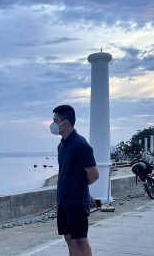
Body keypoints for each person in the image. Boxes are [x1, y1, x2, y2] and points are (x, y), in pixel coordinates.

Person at [50, 105, 100, 256]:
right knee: (69, 238)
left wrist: (81, 192)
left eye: (55, 120)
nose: (52, 124)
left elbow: (94, 175)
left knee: (80, 240)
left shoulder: (80, 145)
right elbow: (64, 173)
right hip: (63, 201)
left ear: (64, 123)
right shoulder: (61, 146)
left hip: (76, 202)